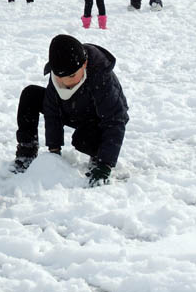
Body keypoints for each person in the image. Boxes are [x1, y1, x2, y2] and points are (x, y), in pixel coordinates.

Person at [12, 34, 129, 187]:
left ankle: (97, 157)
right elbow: (51, 109)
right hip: (69, 110)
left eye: (72, 76)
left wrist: (105, 164)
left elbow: (115, 119)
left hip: (95, 118)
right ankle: (26, 152)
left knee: (83, 139)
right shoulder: (60, 67)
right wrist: (54, 151)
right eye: (60, 78)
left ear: (85, 64)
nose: (65, 82)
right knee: (31, 95)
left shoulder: (101, 76)